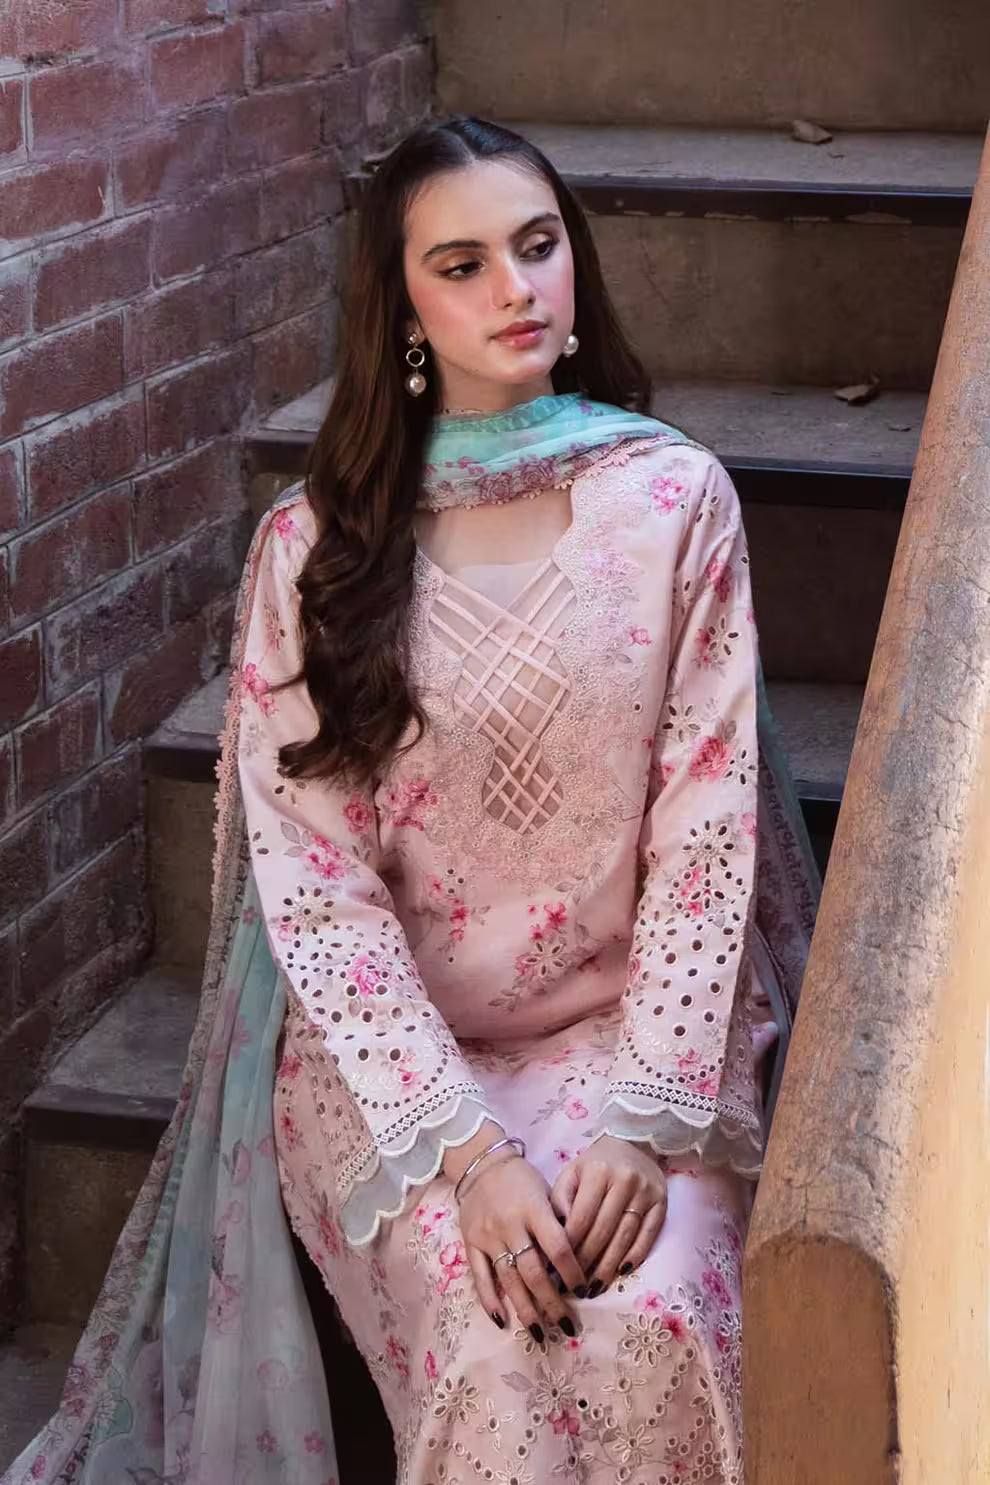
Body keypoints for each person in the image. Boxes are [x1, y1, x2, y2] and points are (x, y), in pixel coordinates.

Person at [3, 116, 818, 1485]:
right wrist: (470, 1155)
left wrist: (640, 1111)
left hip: (631, 1041)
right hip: (400, 1079)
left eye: (538, 244)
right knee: (498, 1334)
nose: (516, 287)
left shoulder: (672, 502)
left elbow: (706, 823)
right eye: (463, 263)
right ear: (404, 314)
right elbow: (315, 890)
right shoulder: (314, 551)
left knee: (655, 1310)